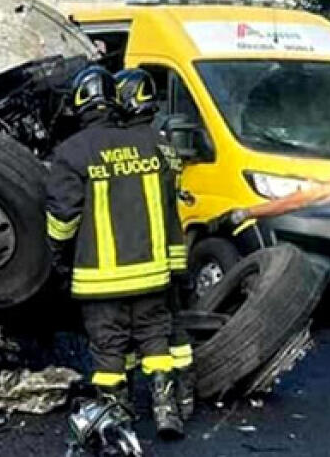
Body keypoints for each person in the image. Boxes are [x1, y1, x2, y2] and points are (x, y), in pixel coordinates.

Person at [46, 65, 184, 440]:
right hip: (152, 272)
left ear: (80, 102)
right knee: (155, 338)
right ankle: (166, 409)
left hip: (100, 277)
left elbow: (62, 217)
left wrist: (57, 254)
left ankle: (117, 419)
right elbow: (168, 207)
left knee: (108, 349)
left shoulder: (72, 151)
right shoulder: (150, 144)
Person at [115, 68, 194, 422]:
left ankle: (129, 402)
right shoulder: (163, 144)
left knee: (132, 329)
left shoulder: (127, 147)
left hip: (135, 255)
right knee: (171, 326)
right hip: (169, 254)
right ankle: (180, 398)